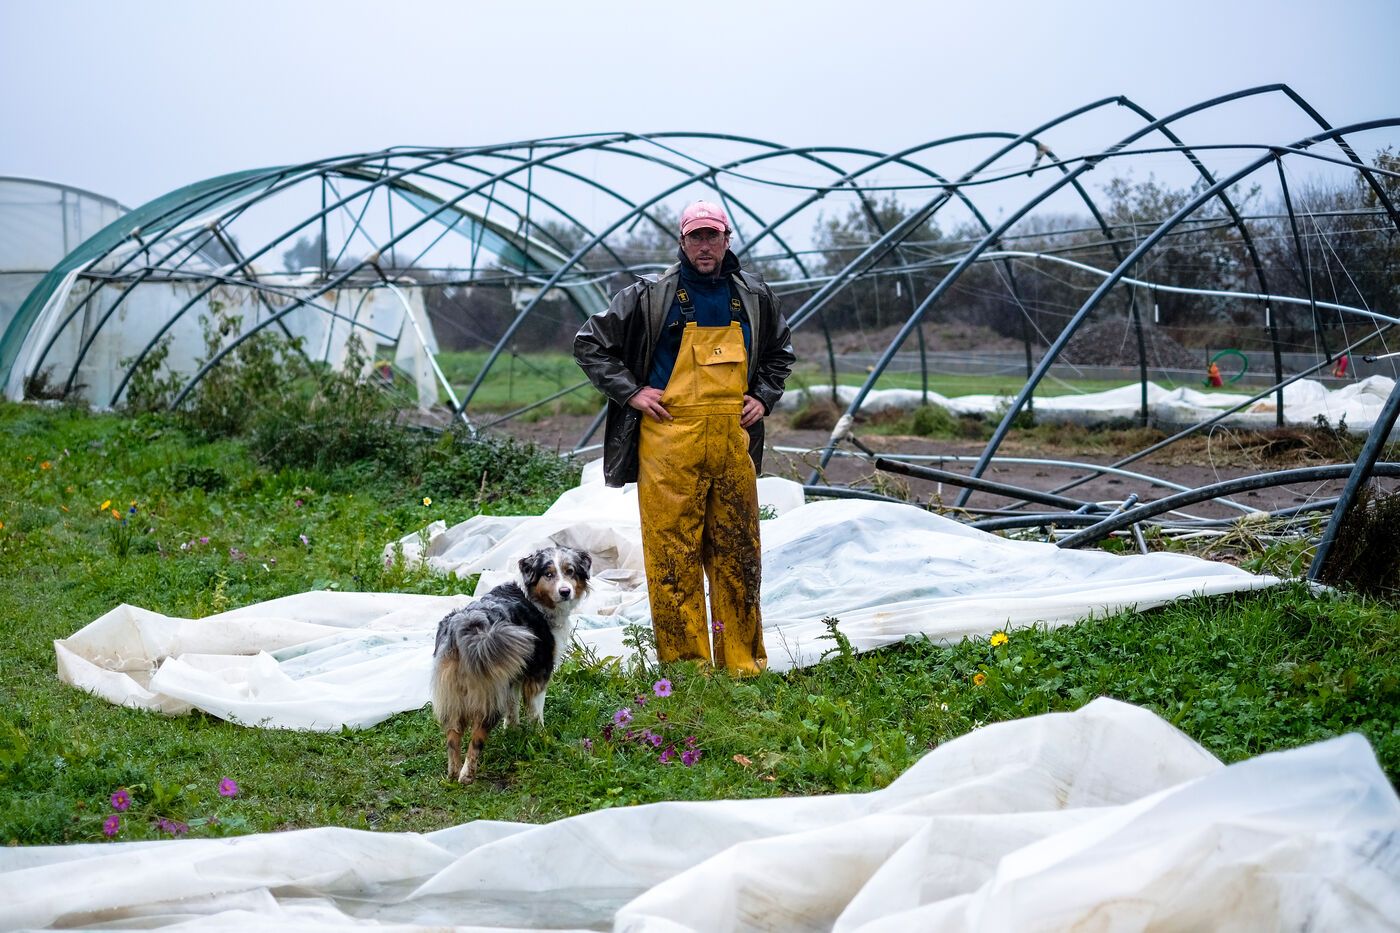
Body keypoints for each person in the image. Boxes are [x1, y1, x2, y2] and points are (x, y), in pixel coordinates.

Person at [573, 200, 795, 675]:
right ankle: (687, 669)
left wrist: (764, 396)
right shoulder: (649, 295)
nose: (705, 245)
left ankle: (743, 664)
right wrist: (632, 392)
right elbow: (590, 343)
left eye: (713, 235)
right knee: (673, 557)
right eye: (696, 236)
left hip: (732, 441)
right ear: (682, 241)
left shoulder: (754, 296)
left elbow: (780, 353)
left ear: (727, 239)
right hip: (669, 442)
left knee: (739, 554)